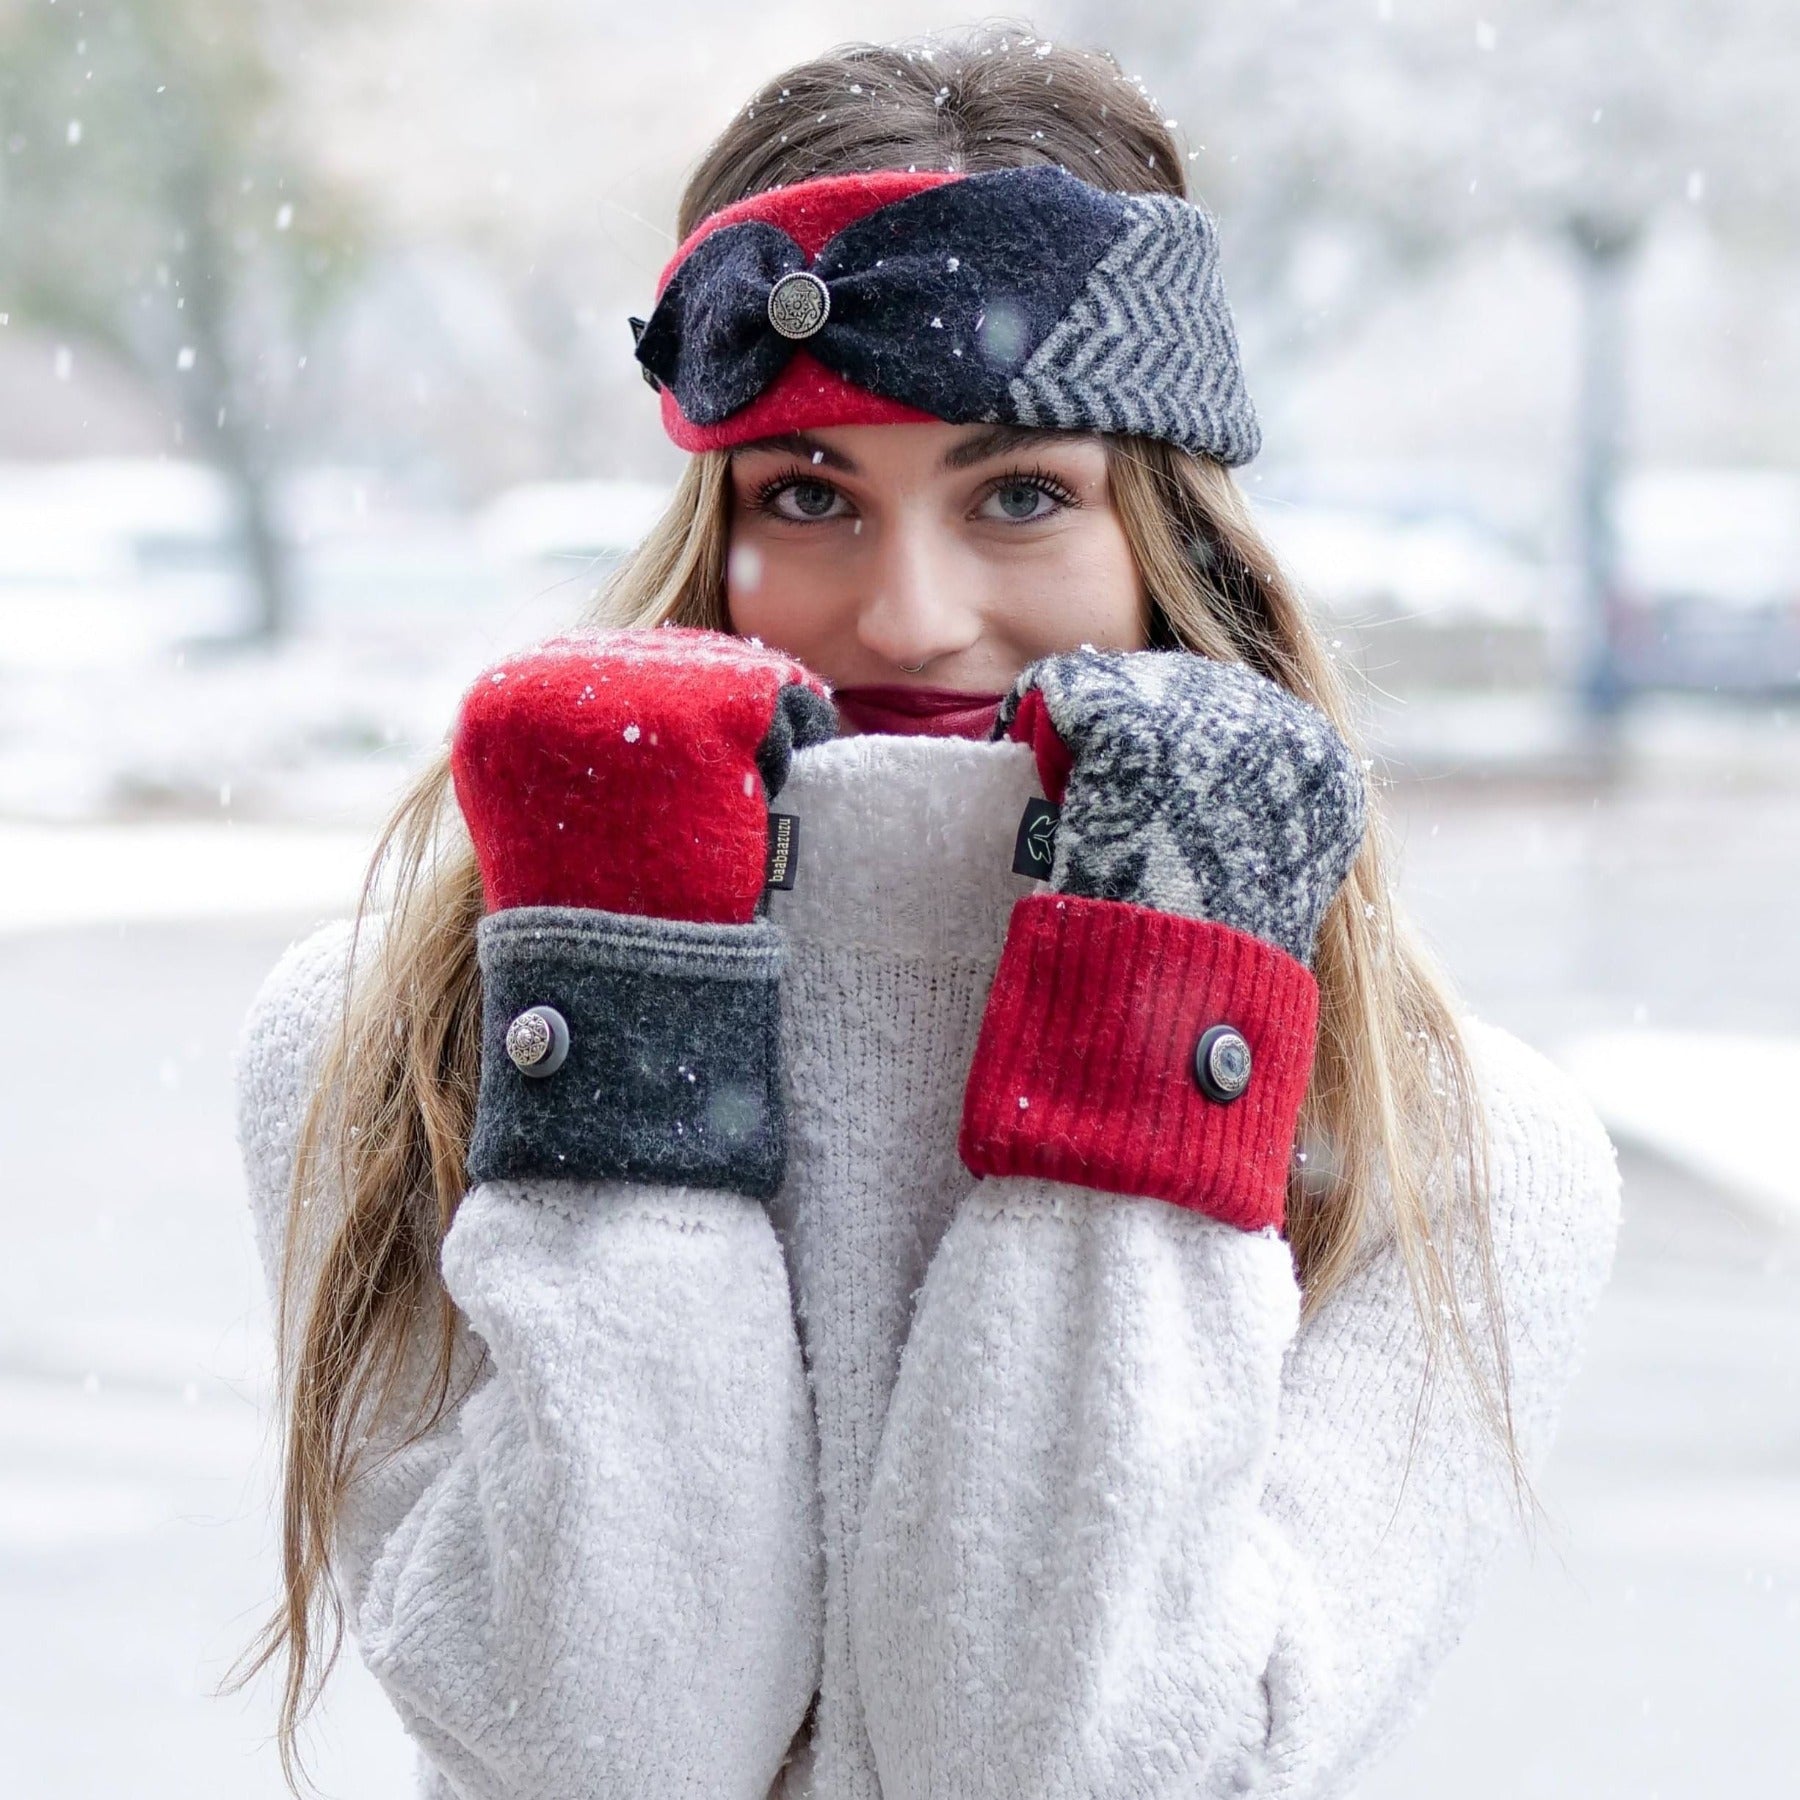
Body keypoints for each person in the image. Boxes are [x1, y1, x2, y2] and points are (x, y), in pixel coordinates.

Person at [226, 26, 1620, 1800]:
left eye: (1021, 494)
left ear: (1166, 541)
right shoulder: (390, 1049)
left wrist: (1156, 988)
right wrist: (621, 985)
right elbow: (613, 1745)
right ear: (710, 528)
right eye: (809, 495)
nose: (905, 614)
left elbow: (1058, 1764)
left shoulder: (1461, 1146)